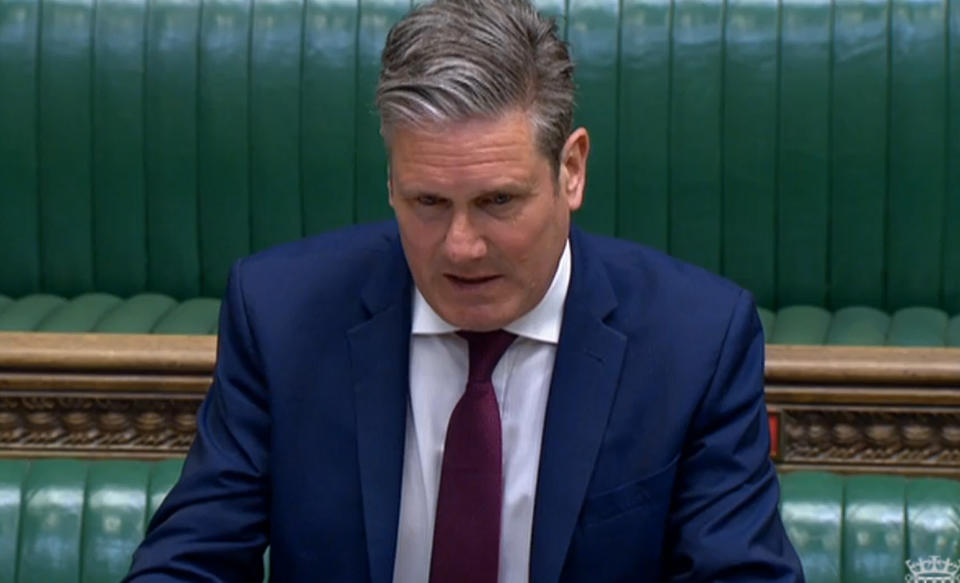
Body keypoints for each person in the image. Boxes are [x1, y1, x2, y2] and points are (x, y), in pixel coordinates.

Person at [125, 0, 804, 580]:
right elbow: (191, 557)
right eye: (426, 201)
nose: (460, 246)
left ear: (571, 169)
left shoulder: (695, 342)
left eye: (497, 201)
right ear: (391, 181)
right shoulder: (279, 316)